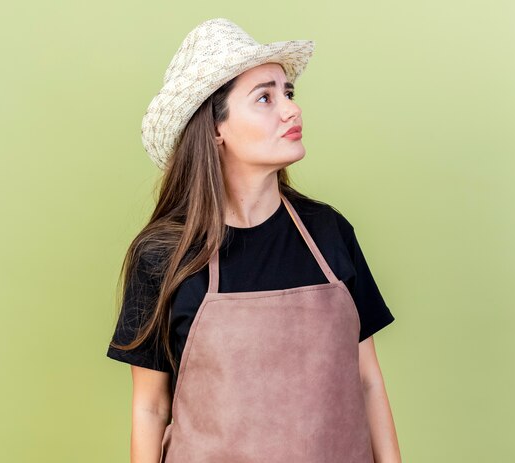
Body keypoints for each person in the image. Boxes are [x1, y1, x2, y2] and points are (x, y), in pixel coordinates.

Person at [106, 17, 401, 463]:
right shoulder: (162, 256)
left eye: (288, 93)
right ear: (215, 128)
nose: (290, 109)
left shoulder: (329, 233)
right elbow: (151, 406)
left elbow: (367, 380)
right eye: (265, 97)